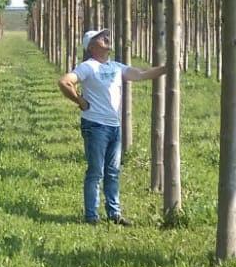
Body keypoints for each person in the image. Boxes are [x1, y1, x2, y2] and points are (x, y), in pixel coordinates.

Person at [57, 28, 166, 225]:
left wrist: (167, 68)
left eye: (106, 36)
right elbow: (65, 82)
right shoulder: (88, 67)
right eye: (100, 37)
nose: (106, 38)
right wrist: (80, 101)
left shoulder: (116, 67)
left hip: (114, 127)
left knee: (113, 171)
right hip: (95, 126)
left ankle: (114, 214)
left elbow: (141, 74)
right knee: (96, 172)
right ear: (91, 46)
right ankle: (91, 216)